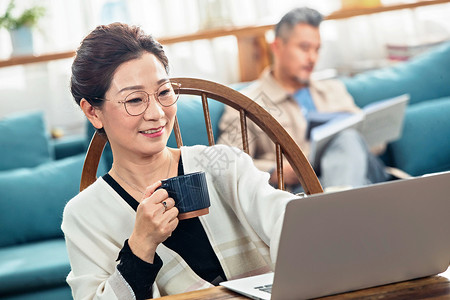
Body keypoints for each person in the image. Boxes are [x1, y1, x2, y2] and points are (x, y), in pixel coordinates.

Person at [61, 23, 298, 299]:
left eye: (164, 92)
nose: (157, 113)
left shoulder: (223, 164)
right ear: (93, 111)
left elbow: (286, 218)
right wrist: (140, 246)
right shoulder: (85, 215)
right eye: (135, 100)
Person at [218, 7, 389, 191]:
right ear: (276, 47)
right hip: (309, 190)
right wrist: (275, 171)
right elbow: (225, 167)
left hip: (361, 173)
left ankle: (341, 207)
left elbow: (376, 145)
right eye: (304, 48)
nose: (312, 58)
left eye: (317, 49)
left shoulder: (333, 90)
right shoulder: (247, 104)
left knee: (348, 139)